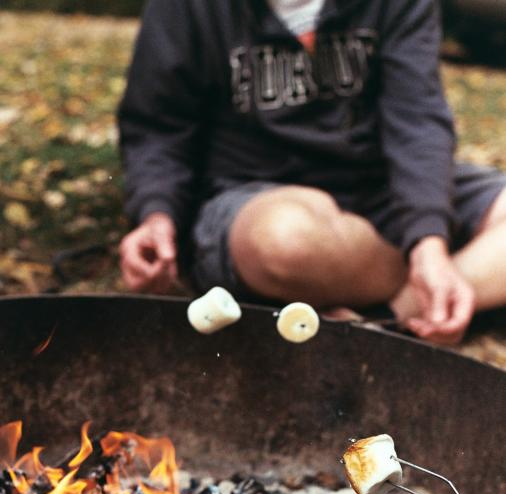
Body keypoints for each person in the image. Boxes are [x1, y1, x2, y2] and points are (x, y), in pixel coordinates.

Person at [118, 0, 506, 345]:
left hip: (383, 184)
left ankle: (390, 319)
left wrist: (428, 241)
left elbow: (418, 121)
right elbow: (157, 128)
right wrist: (157, 213)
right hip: (258, 199)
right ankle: (455, 281)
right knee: (285, 239)